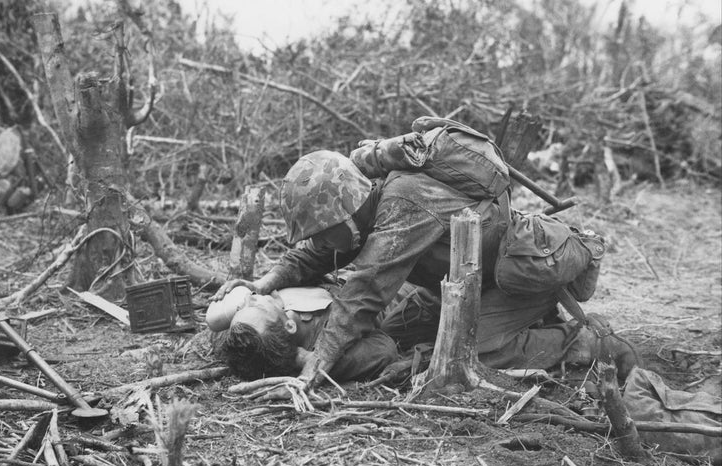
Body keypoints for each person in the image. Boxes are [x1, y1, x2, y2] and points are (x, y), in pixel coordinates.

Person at [213, 150, 638, 391]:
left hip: (520, 277)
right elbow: (315, 255)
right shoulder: (366, 213)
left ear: (344, 217)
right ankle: (524, 327)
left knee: (473, 351)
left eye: (325, 234)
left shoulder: (403, 204)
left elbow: (365, 289)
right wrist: (261, 283)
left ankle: (585, 342)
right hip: (468, 281)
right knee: (405, 333)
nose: (321, 244)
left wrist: (317, 360)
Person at [207, 282, 401, 382]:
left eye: (241, 310)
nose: (251, 298)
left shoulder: (248, 335)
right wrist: (307, 359)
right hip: (390, 292)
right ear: (289, 326)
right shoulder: (320, 342)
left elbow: (215, 325)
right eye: (256, 307)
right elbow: (384, 351)